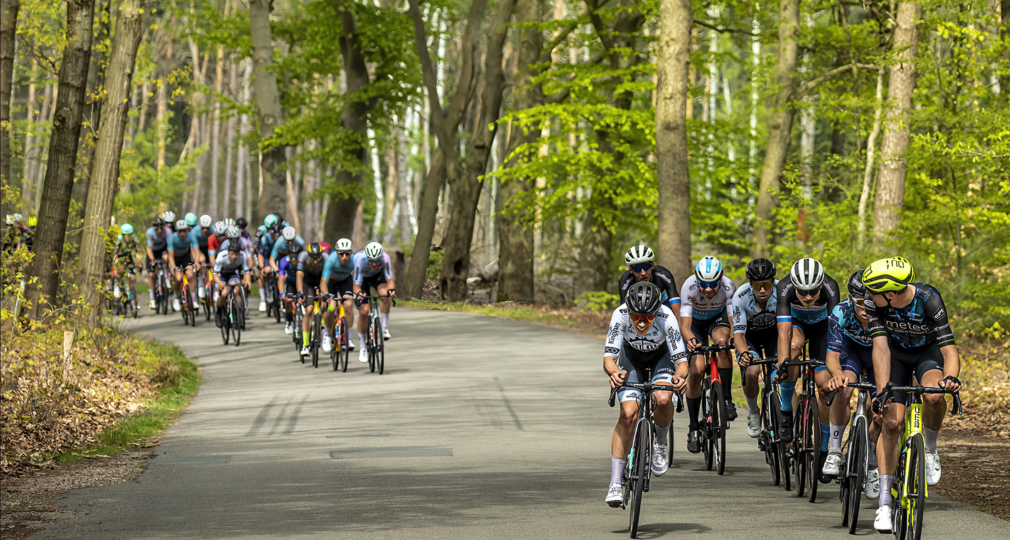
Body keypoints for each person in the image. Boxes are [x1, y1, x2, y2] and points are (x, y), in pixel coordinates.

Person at [861, 257, 960, 533]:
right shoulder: (874, 303)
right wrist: (882, 394)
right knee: (891, 423)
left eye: (871, 290)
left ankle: (929, 449)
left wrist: (950, 378)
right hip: (895, 358)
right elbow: (880, 349)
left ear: (890, 294)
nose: (867, 295)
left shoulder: (929, 298)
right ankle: (884, 504)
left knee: (934, 396)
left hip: (926, 356)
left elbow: (949, 349)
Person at [603, 282, 688, 507]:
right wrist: (615, 373)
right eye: (637, 317)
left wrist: (679, 378)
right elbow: (609, 359)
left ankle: (660, 442)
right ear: (629, 312)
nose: (641, 322)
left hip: (661, 358)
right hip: (632, 360)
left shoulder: (666, 316)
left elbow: (681, 361)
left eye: (648, 318)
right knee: (628, 415)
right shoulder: (619, 315)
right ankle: (614, 482)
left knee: (662, 398)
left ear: (656, 314)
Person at [822, 270, 882, 497]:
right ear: (850, 300)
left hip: (878, 356)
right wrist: (836, 374)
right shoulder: (841, 312)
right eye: (860, 302)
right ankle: (835, 451)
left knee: (878, 412)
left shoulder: (885, 313)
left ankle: (874, 465)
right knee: (844, 388)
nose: (865, 309)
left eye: (870, 302)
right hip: (851, 353)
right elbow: (832, 356)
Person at [772, 258, 839, 450]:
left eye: (812, 292)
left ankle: (825, 445)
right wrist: (784, 363)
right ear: (794, 286)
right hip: (797, 325)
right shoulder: (784, 287)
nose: (808, 297)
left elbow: (834, 329)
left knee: (825, 387)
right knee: (793, 348)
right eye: (802, 292)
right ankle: (787, 409)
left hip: (822, 330)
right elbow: (783, 331)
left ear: (821, 286)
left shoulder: (831, 287)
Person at [680, 256, 736, 453]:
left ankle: (727, 399)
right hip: (695, 324)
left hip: (717, 319)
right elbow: (685, 326)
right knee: (696, 372)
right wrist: (692, 341)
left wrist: (735, 337)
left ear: (720, 279)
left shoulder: (728, 287)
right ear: (697, 280)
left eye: (713, 284)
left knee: (722, 345)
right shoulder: (689, 286)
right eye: (704, 284)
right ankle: (694, 427)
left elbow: (731, 318)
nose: (709, 288)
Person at [732, 258, 779, 438]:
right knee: (752, 372)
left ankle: (786, 414)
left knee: (785, 368)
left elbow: (786, 330)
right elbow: (738, 335)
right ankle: (753, 411)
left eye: (766, 284)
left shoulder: (781, 292)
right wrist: (744, 353)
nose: (762, 290)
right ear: (750, 284)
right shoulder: (740, 296)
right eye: (757, 285)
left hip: (774, 335)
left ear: (773, 282)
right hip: (750, 336)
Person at [617, 245, 682, 327]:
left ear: (652, 265)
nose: (643, 273)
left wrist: (679, 331)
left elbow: (677, 309)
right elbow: (624, 311)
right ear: (631, 270)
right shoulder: (625, 280)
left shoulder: (663, 274)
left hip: (663, 304)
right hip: (639, 307)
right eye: (637, 268)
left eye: (646, 267)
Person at [352, 242, 396, 363]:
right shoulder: (359, 259)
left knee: (384, 294)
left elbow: (389, 280)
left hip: (377, 277)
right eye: (371, 261)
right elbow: (356, 286)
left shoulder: (385, 258)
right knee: (364, 312)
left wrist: (391, 290)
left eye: (377, 260)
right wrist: (359, 294)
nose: (375, 263)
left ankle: (385, 328)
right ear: (367, 258)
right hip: (362, 281)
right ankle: (362, 347)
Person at [320, 238, 357, 352]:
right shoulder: (331, 260)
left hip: (345, 281)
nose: (344, 257)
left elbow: (358, 279)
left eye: (347, 253)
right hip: (331, 282)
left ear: (351, 253)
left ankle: (348, 338)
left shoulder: (355, 260)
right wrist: (326, 295)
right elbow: (323, 283)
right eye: (341, 253)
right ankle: (326, 335)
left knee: (349, 306)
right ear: (337, 253)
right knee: (330, 307)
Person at [296, 242, 329, 357]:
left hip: (321, 280)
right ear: (308, 255)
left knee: (325, 302)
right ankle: (305, 344)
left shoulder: (325, 258)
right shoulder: (303, 257)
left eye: (317, 258)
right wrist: (300, 292)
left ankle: (324, 326)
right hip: (307, 282)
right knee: (309, 310)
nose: (315, 261)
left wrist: (325, 292)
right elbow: (299, 277)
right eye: (313, 258)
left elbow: (328, 277)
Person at [213, 240, 251, 328]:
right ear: (228, 252)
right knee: (224, 293)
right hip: (221, 275)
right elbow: (214, 274)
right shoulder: (221, 256)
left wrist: (247, 281)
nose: (234, 257)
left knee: (236, 290)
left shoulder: (243, 256)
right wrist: (219, 283)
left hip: (232, 275)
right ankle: (219, 312)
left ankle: (239, 314)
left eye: (236, 254)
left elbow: (246, 272)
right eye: (232, 254)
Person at [167, 219, 202, 312]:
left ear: (187, 230)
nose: (182, 233)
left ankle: (193, 299)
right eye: (180, 231)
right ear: (177, 231)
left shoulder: (191, 236)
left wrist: (197, 261)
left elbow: (196, 250)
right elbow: (170, 255)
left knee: (190, 276)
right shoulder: (172, 238)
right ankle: (176, 297)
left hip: (185, 257)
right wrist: (173, 266)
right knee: (178, 279)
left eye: (184, 231)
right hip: (175, 258)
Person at [111, 223, 141, 311]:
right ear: (123, 235)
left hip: (129, 258)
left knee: (132, 278)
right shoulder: (119, 240)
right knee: (119, 274)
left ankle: (133, 300)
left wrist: (139, 263)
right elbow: (115, 255)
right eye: (126, 235)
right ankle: (118, 287)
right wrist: (116, 267)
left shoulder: (134, 239)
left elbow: (138, 252)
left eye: (130, 235)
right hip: (120, 259)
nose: (128, 237)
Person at [145, 217, 172, 308]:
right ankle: (152, 298)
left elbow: (169, 246)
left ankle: (166, 278)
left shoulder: (168, 231)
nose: (159, 230)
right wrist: (152, 259)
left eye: (161, 227)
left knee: (166, 258)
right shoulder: (150, 232)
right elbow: (148, 248)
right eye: (157, 228)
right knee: (151, 275)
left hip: (162, 250)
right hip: (152, 252)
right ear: (154, 228)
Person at [277, 242, 304, 334]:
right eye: (291, 256)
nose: (293, 259)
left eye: (296, 256)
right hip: (291, 282)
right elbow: (281, 278)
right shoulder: (284, 261)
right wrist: (281, 292)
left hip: (303, 282)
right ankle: (289, 321)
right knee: (288, 300)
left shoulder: (304, 261)